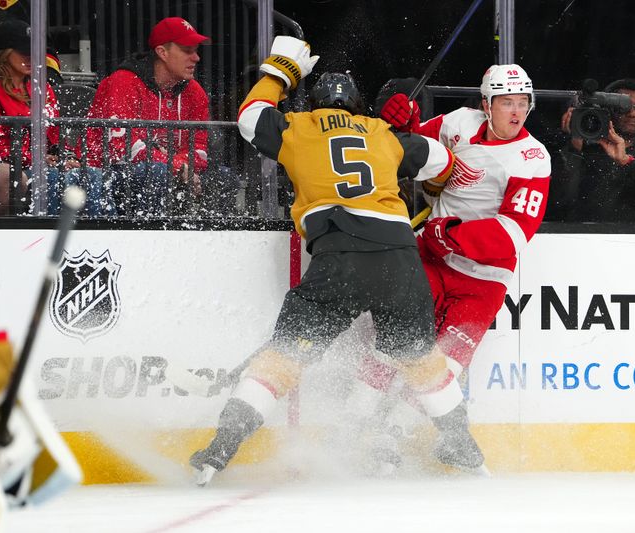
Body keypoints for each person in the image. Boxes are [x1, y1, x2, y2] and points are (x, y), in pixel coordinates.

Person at [189, 35, 485, 485]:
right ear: (357, 105)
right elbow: (445, 165)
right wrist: (409, 133)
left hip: (338, 260)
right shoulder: (383, 134)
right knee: (421, 360)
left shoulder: (298, 127)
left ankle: (221, 448)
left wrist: (281, 70)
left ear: (315, 101)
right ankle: (463, 447)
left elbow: (249, 117)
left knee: (284, 359)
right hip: (399, 262)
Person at [354, 64, 551, 470]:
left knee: (443, 366)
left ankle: (391, 433)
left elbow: (515, 232)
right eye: (506, 103)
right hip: (431, 260)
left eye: (523, 103)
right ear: (486, 104)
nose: (516, 113)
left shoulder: (532, 158)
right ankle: (355, 427)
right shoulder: (459, 123)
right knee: (394, 341)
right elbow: (409, 144)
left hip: (483, 279)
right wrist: (401, 119)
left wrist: (451, 234)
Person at [85, 17, 209, 216]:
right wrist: (176, 165)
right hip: (105, 173)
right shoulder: (123, 82)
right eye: (187, 50)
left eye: (195, 50)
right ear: (162, 52)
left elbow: (200, 150)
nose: (196, 58)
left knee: (224, 177)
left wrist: (181, 165)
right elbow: (123, 149)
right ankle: (150, 239)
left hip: (165, 170)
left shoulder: (195, 92)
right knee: (155, 172)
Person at [0, 18, 107, 217]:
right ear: (4, 53)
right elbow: (0, 147)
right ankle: (47, 236)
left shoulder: (43, 88)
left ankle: (100, 239)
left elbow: (55, 137)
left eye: (34, 50)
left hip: (41, 164)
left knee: (91, 175)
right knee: (51, 176)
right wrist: (36, 159)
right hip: (12, 167)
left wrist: (68, 157)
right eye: (23, 51)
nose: (31, 56)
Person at [550, 78, 635, 222]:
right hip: (584, 240)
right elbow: (561, 201)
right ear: (607, 109)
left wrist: (626, 161)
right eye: (624, 106)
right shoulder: (582, 152)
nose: (632, 113)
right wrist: (574, 148)